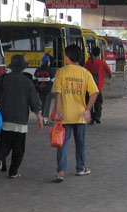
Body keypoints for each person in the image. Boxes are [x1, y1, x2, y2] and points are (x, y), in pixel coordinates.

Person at [52, 45, 99, 183]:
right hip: (80, 115)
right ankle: (80, 168)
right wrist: (87, 109)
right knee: (81, 143)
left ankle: (61, 172)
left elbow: (58, 95)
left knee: (62, 143)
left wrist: (58, 111)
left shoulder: (61, 72)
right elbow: (94, 92)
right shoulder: (85, 73)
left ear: (67, 57)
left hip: (64, 115)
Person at [0, 54, 43, 179]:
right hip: (20, 120)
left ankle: (0, 159)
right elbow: (34, 101)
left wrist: (1, 102)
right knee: (18, 148)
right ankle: (13, 171)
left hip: (5, 118)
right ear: (23, 68)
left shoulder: (3, 78)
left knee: (4, 143)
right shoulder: (27, 81)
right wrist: (39, 117)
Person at [84, 47, 112, 125]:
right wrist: (108, 79)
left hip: (88, 86)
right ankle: (97, 116)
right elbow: (109, 72)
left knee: (89, 101)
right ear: (99, 53)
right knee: (98, 102)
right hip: (98, 85)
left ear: (92, 53)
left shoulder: (88, 62)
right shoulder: (102, 62)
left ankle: (91, 117)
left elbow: (84, 72)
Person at [34, 54, 56, 125]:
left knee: (42, 104)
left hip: (40, 90)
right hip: (48, 90)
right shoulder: (50, 70)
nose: (50, 62)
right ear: (47, 62)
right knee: (47, 105)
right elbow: (53, 80)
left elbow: (34, 78)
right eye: (49, 61)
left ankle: (41, 118)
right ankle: (45, 119)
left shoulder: (38, 69)